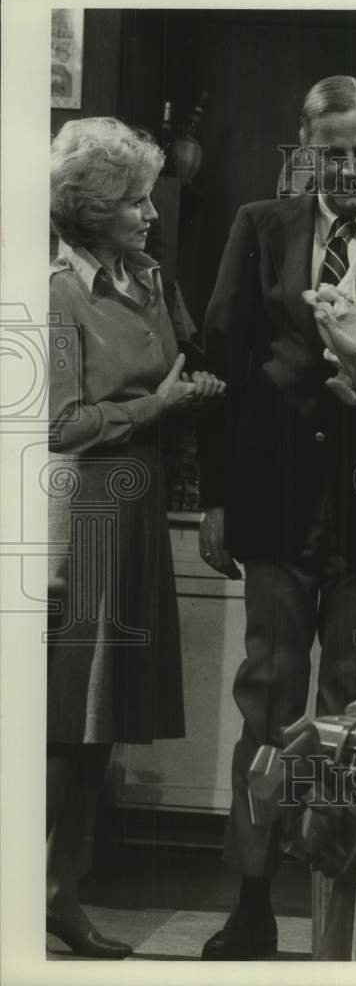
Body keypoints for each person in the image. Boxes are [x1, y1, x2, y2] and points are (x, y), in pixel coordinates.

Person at [196, 75, 356, 959]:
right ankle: (252, 900)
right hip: (272, 507)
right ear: (303, 150)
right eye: (330, 151)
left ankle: (338, 918)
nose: (346, 167)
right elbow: (219, 366)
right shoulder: (259, 227)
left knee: (353, 716)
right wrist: (217, 498)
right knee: (267, 703)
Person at [47, 117, 225, 958]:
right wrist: (156, 407)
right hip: (86, 512)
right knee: (66, 717)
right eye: (133, 202)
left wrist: (198, 386)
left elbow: (184, 361)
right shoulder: (53, 291)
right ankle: (43, 888)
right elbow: (61, 425)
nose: (150, 214)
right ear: (88, 210)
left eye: (151, 197)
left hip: (140, 503)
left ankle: (59, 887)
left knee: (102, 720)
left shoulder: (148, 277)